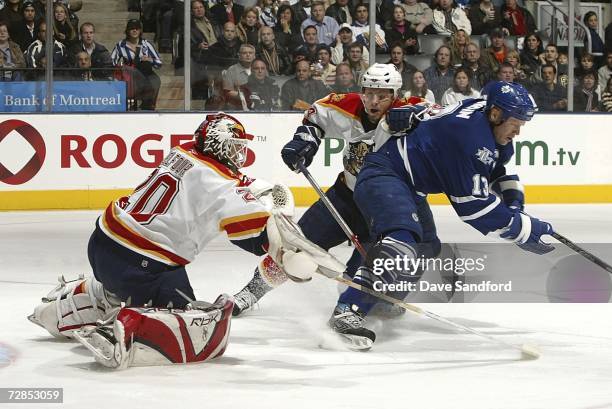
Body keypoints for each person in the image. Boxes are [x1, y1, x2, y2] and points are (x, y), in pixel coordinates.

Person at [28, 113, 317, 369]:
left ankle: (78, 301)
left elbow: (230, 181)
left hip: (102, 242)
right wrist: (287, 251)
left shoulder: (183, 152)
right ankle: (123, 331)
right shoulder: (221, 187)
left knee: (127, 285)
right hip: (141, 266)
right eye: (236, 147)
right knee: (202, 335)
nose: (239, 154)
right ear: (221, 145)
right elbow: (253, 239)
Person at [328, 81, 554, 349]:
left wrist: (515, 207)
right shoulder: (467, 138)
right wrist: (523, 229)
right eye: (515, 123)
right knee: (401, 243)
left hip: (409, 185)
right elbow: (474, 209)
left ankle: (383, 300)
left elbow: (494, 173)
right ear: (496, 115)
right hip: (384, 176)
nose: (517, 132)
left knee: (427, 247)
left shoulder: (483, 116)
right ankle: (348, 310)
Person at [231, 63, 432, 317]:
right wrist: (305, 140)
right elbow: (316, 114)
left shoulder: (410, 108)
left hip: (389, 207)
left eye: (382, 96)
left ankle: (368, 304)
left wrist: (415, 113)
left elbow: (444, 115)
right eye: (368, 93)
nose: (373, 101)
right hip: (345, 198)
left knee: (387, 263)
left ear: (394, 94)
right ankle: (251, 291)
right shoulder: (347, 105)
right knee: (297, 247)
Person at [111, 19, 162, 111]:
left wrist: (149, 59)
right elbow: (112, 62)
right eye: (132, 28)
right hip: (129, 74)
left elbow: (158, 63)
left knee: (156, 80)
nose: (134, 31)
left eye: (137, 28)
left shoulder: (146, 44)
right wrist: (119, 66)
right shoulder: (121, 45)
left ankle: (148, 106)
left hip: (145, 73)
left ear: (140, 31)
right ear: (127, 31)